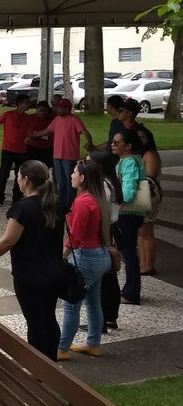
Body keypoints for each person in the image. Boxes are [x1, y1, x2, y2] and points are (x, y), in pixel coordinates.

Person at [0, 161, 65, 360]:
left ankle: (39, 369)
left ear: (26, 180)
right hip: (54, 271)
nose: (18, 180)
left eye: (19, 176)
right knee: (49, 318)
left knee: (35, 322)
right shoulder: (55, 203)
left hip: (29, 274)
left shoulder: (23, 208)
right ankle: (52, 363)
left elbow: (8, 241)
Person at [56, 160, 113, 359]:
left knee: (72, 305)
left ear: (82, 178)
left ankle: (61, 349)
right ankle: (93, 344)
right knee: (93, 303)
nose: (70, 175)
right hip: (100, 255)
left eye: (74, 173)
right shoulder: (97, 199)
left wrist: (59, 260)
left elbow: (75, 237)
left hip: (86, 258)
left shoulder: (82, 202)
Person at [28, 99, 93, 213]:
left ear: (67, 108)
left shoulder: (74, 119)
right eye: (57, 107)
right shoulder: (57, 119)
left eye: (60, 107)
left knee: (70, 181)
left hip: (69, 156)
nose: (57, 109)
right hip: (57, 155)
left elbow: (84, 131)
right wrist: (34, 134)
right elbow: (47, 131)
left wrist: (90, 143)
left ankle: (70, 204)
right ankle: (62, 204)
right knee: (60, 181)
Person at [89, 148, 124, 333]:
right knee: (109, 274)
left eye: (88, 162)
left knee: (102, 275)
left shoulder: (102, 186)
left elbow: (99, 212)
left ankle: (102, 320)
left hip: (103, 230)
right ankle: (110, 316)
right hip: (110, 229)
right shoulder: (112, 182)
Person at [112, 129, 146, 306]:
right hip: (129, 213)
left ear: (129, 146)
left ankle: (131, 292)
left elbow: (129, 189)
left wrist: (116, 206)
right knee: (128, 251)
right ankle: (132, 289)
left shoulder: (129, 162)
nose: (113, 144)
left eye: (117, 142)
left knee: (128, 252)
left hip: (127, 213)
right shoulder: (129, 160)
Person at [137, 128, 161, 277]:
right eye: (137, 136)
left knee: (146, 232)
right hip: (141, 193)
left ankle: (149, 265)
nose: (140, 139)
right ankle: (143, 263)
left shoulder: (150, 154)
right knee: (140, 232)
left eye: (143, 137)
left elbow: (150, 177)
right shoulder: (139, 154)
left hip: (147, 193)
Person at [24, 100, 54, 168]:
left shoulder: (51, 119)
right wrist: (42, 134)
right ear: (37, 110)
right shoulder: (31, 118)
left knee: (44, 167)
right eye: (40, 111)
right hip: (33, 147)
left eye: (44, 111)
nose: (42, 113)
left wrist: (37, 134)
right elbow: (29, 132)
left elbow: (52, 133)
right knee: (32, 167)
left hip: (47, 148)